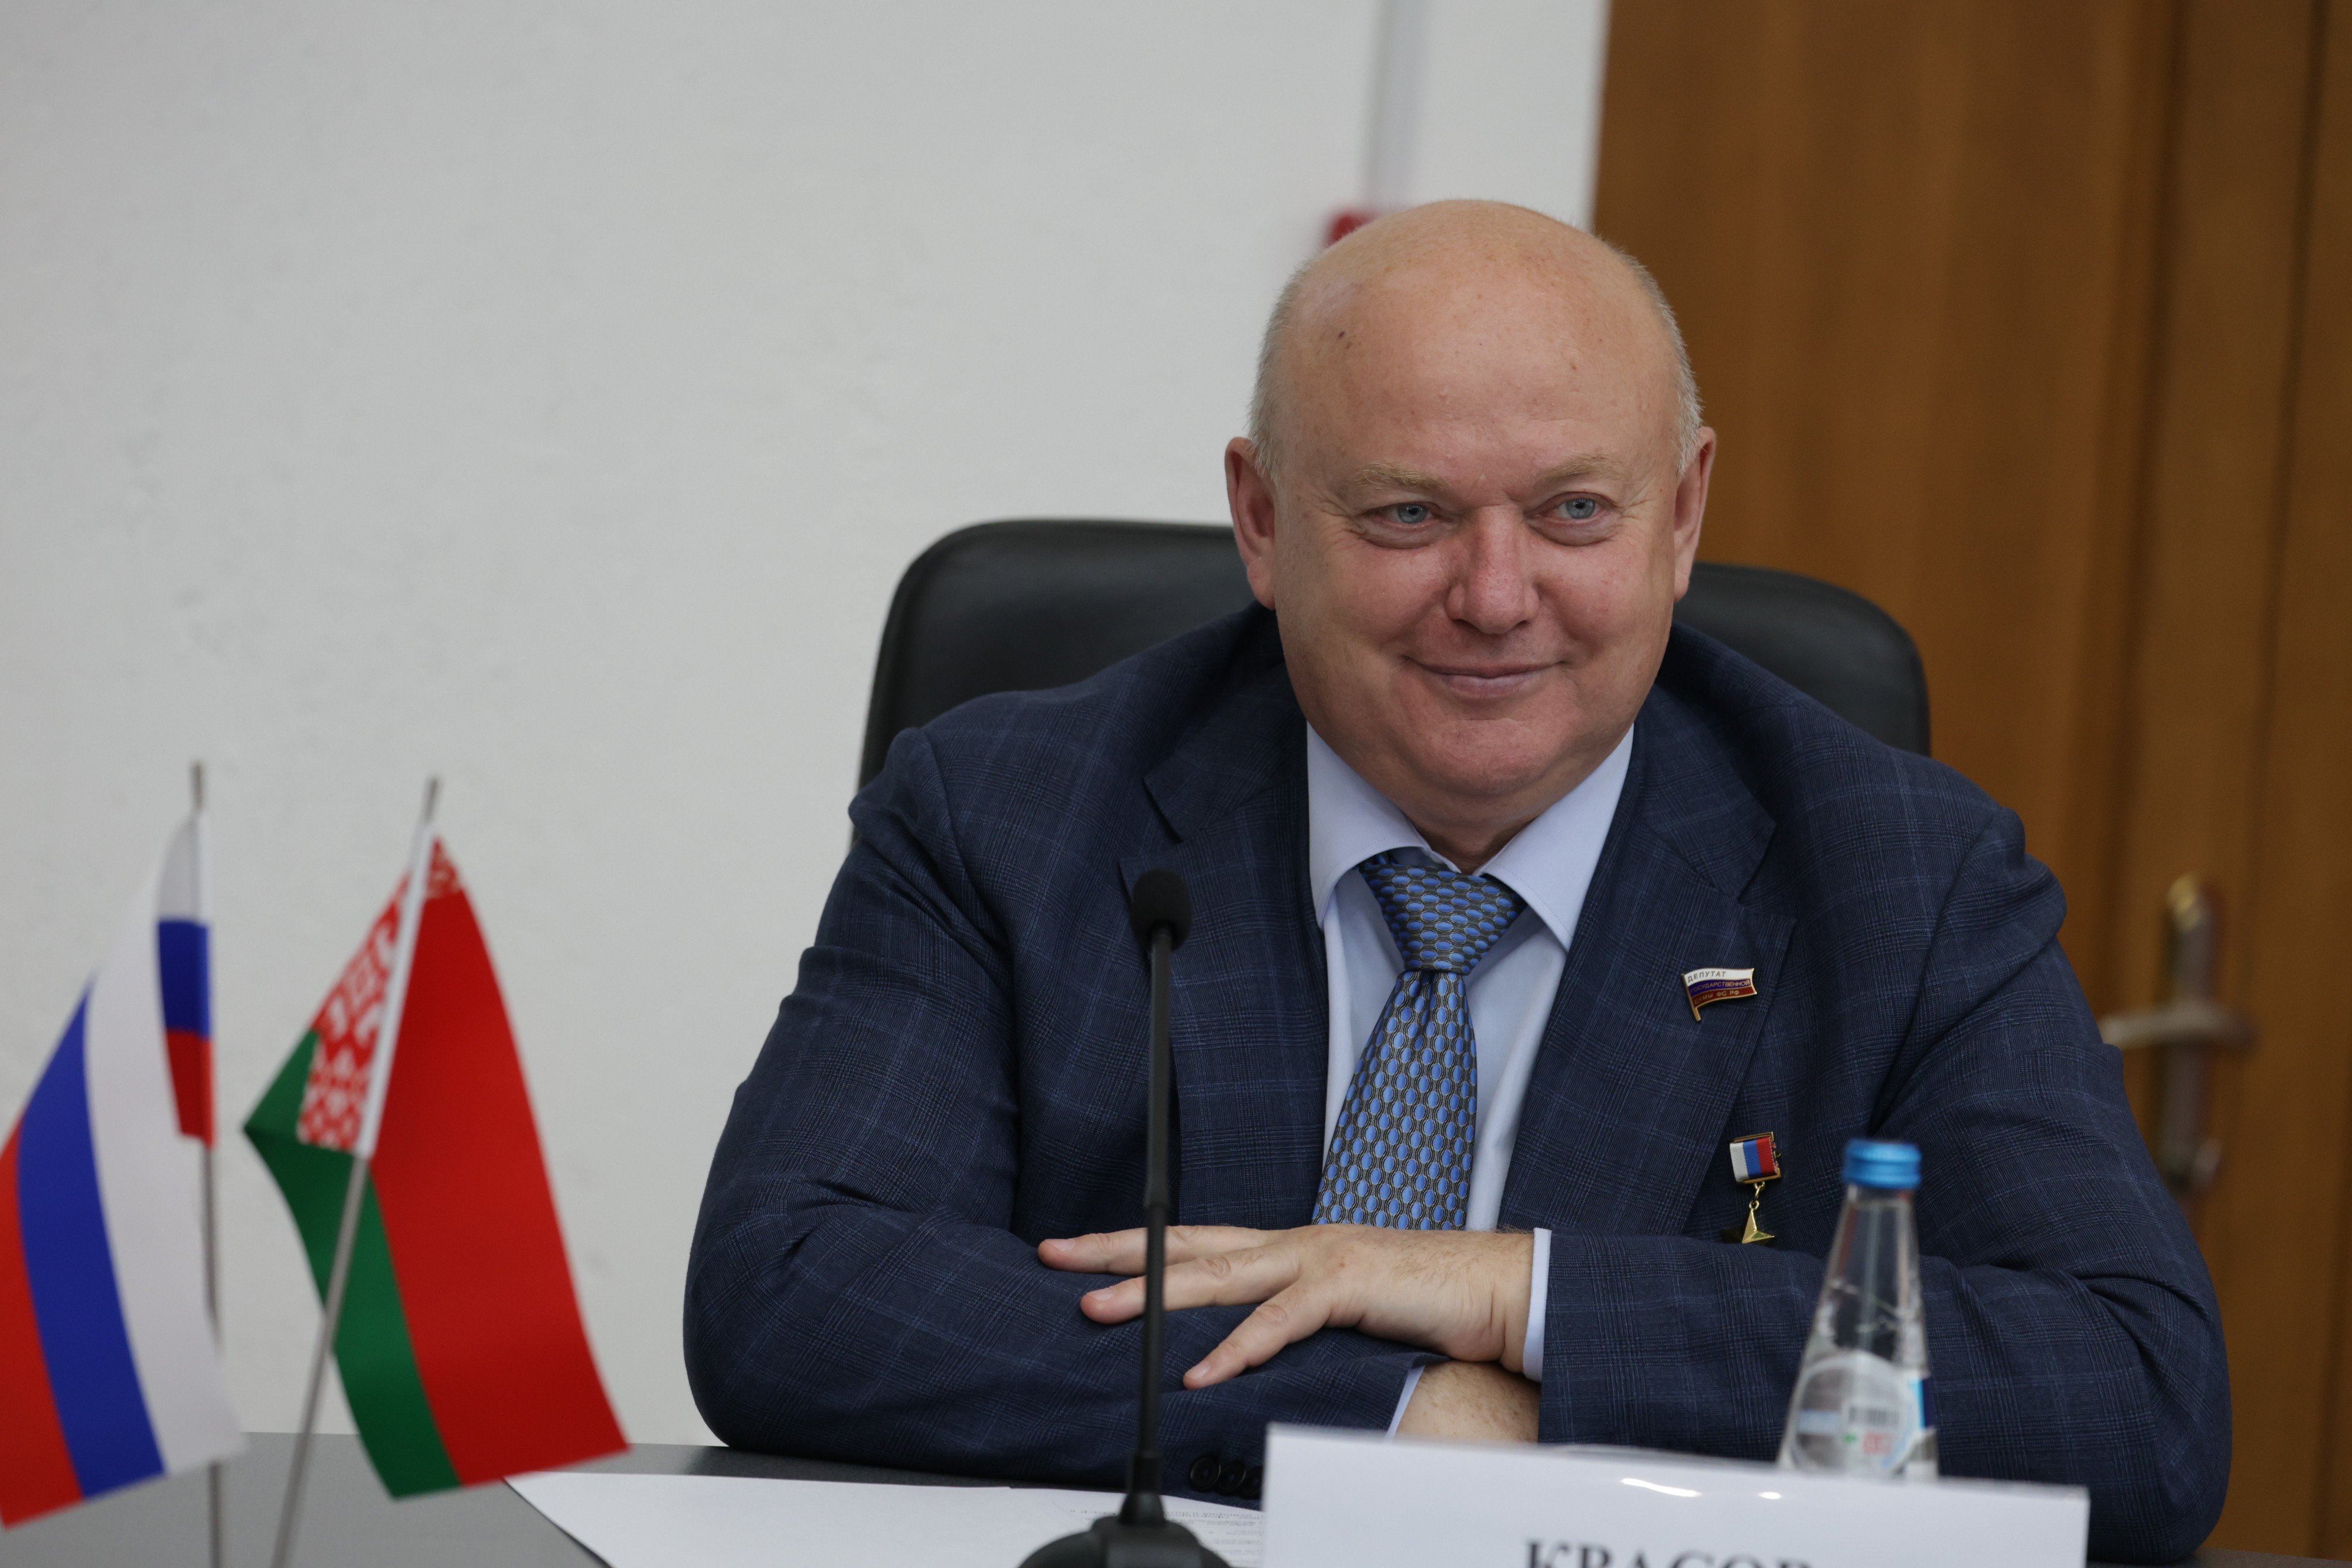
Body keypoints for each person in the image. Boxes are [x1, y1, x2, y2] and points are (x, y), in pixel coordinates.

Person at [685, 201, 2227, 1563]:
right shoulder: (1012, 812)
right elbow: (790, 1291)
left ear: (1683, 514)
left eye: (1574, 512)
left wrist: (1517, 1297)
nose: (1495, 598)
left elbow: (2140, 1400)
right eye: (1410, 514)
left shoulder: (1902, 875)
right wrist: (1405, 1410)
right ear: (1263, 521)